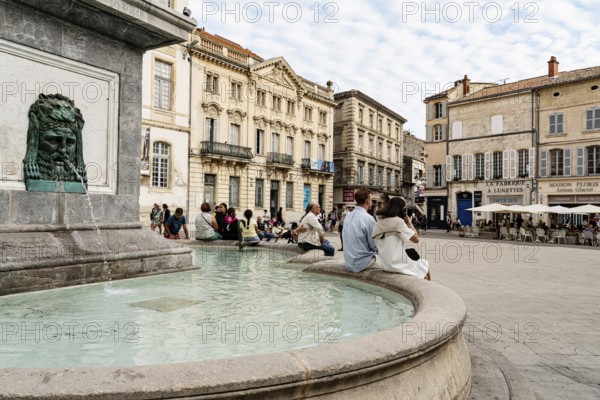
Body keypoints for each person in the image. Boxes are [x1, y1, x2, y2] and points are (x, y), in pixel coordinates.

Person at [372, 197, 430, 280]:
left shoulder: (378, 223)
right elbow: (416, 239)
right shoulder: (398, 222)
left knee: (422, 267)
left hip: (386, 265)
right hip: (399, 264)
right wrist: (409, 223)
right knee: (425, 266)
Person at [342, 188, 378, 272]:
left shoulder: (348, 216)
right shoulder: (369, 219)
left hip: (349, 262)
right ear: (367, 200)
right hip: (362, 263)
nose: (372, 202)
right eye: (371, 200)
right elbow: (374, 246)